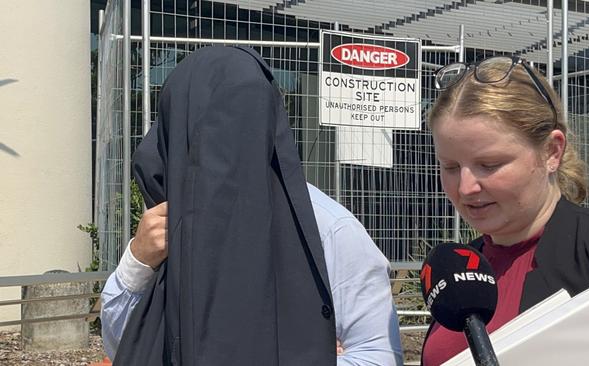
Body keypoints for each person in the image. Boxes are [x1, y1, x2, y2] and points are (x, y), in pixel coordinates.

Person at [101, 46, 403, 366]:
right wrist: (138, 263)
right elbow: (121, 345)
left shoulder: (325, 228)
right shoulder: (163, 224)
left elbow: (378, 354)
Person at [422, 56, 589, 365]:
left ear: (551, 152)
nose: (465, 188)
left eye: (489, 165)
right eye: (450, 167)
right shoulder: (460, 272)